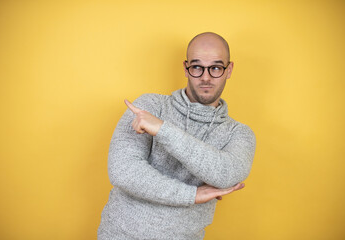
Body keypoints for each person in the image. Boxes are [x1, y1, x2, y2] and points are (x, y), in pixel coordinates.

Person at [97, 32, 256, 240]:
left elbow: (226, 174)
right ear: (185, 68)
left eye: (216, 68)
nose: (206, 77)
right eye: (197, 67)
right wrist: (192, 195)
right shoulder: (149, 107)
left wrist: (162, 130)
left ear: (229, 70)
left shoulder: (239, 134)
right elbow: (123, 171)